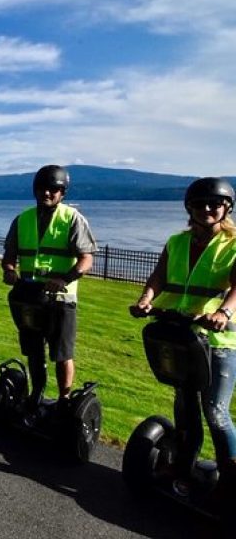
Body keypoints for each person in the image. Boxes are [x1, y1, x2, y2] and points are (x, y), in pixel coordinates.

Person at [131, 177, 236, 497]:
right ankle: (184, 464)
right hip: (179, 335)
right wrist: (146, 299)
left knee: (216, 412)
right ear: (189, 207)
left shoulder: (233, 244)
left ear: (227, 208)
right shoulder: (177, 242)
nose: (207, 208)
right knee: (185, 405)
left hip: (217, 341)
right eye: (200, 203)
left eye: (215, 204)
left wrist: (224, 313)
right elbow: (159, 276)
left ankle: (230, 473)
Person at [1, 164, 96, 409]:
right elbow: (9, 255)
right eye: (43, 188)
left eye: (54, 189)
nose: (47, 193)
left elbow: (87, 259)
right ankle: (36, 393)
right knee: (33, 350)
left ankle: (64, 400)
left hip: (61, 299)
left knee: (62, 353)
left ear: (62, 192)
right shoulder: (22, 220)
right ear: (35, 190)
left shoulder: (72, 218)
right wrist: (9, 270)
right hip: (29, 295)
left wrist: (65, 279)